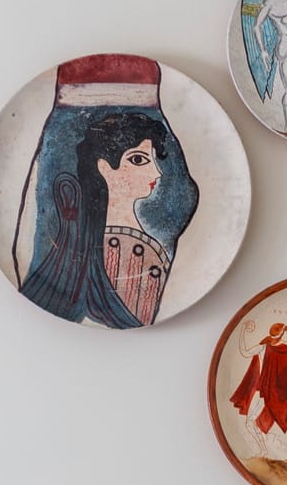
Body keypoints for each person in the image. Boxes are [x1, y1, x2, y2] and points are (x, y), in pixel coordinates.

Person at [17, 57, 198, 328]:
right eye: (138, 160)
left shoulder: (141, 245)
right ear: (103, 167)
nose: (156, 173)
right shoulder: (93, 250)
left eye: (152, 161)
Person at [230, 323, 287, 441]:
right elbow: (245, 352)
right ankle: (263, 449)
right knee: (251, 422)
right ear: (280, 334)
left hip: (276, 392)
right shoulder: (263, 348)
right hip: (263, 392)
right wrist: (242, 329)